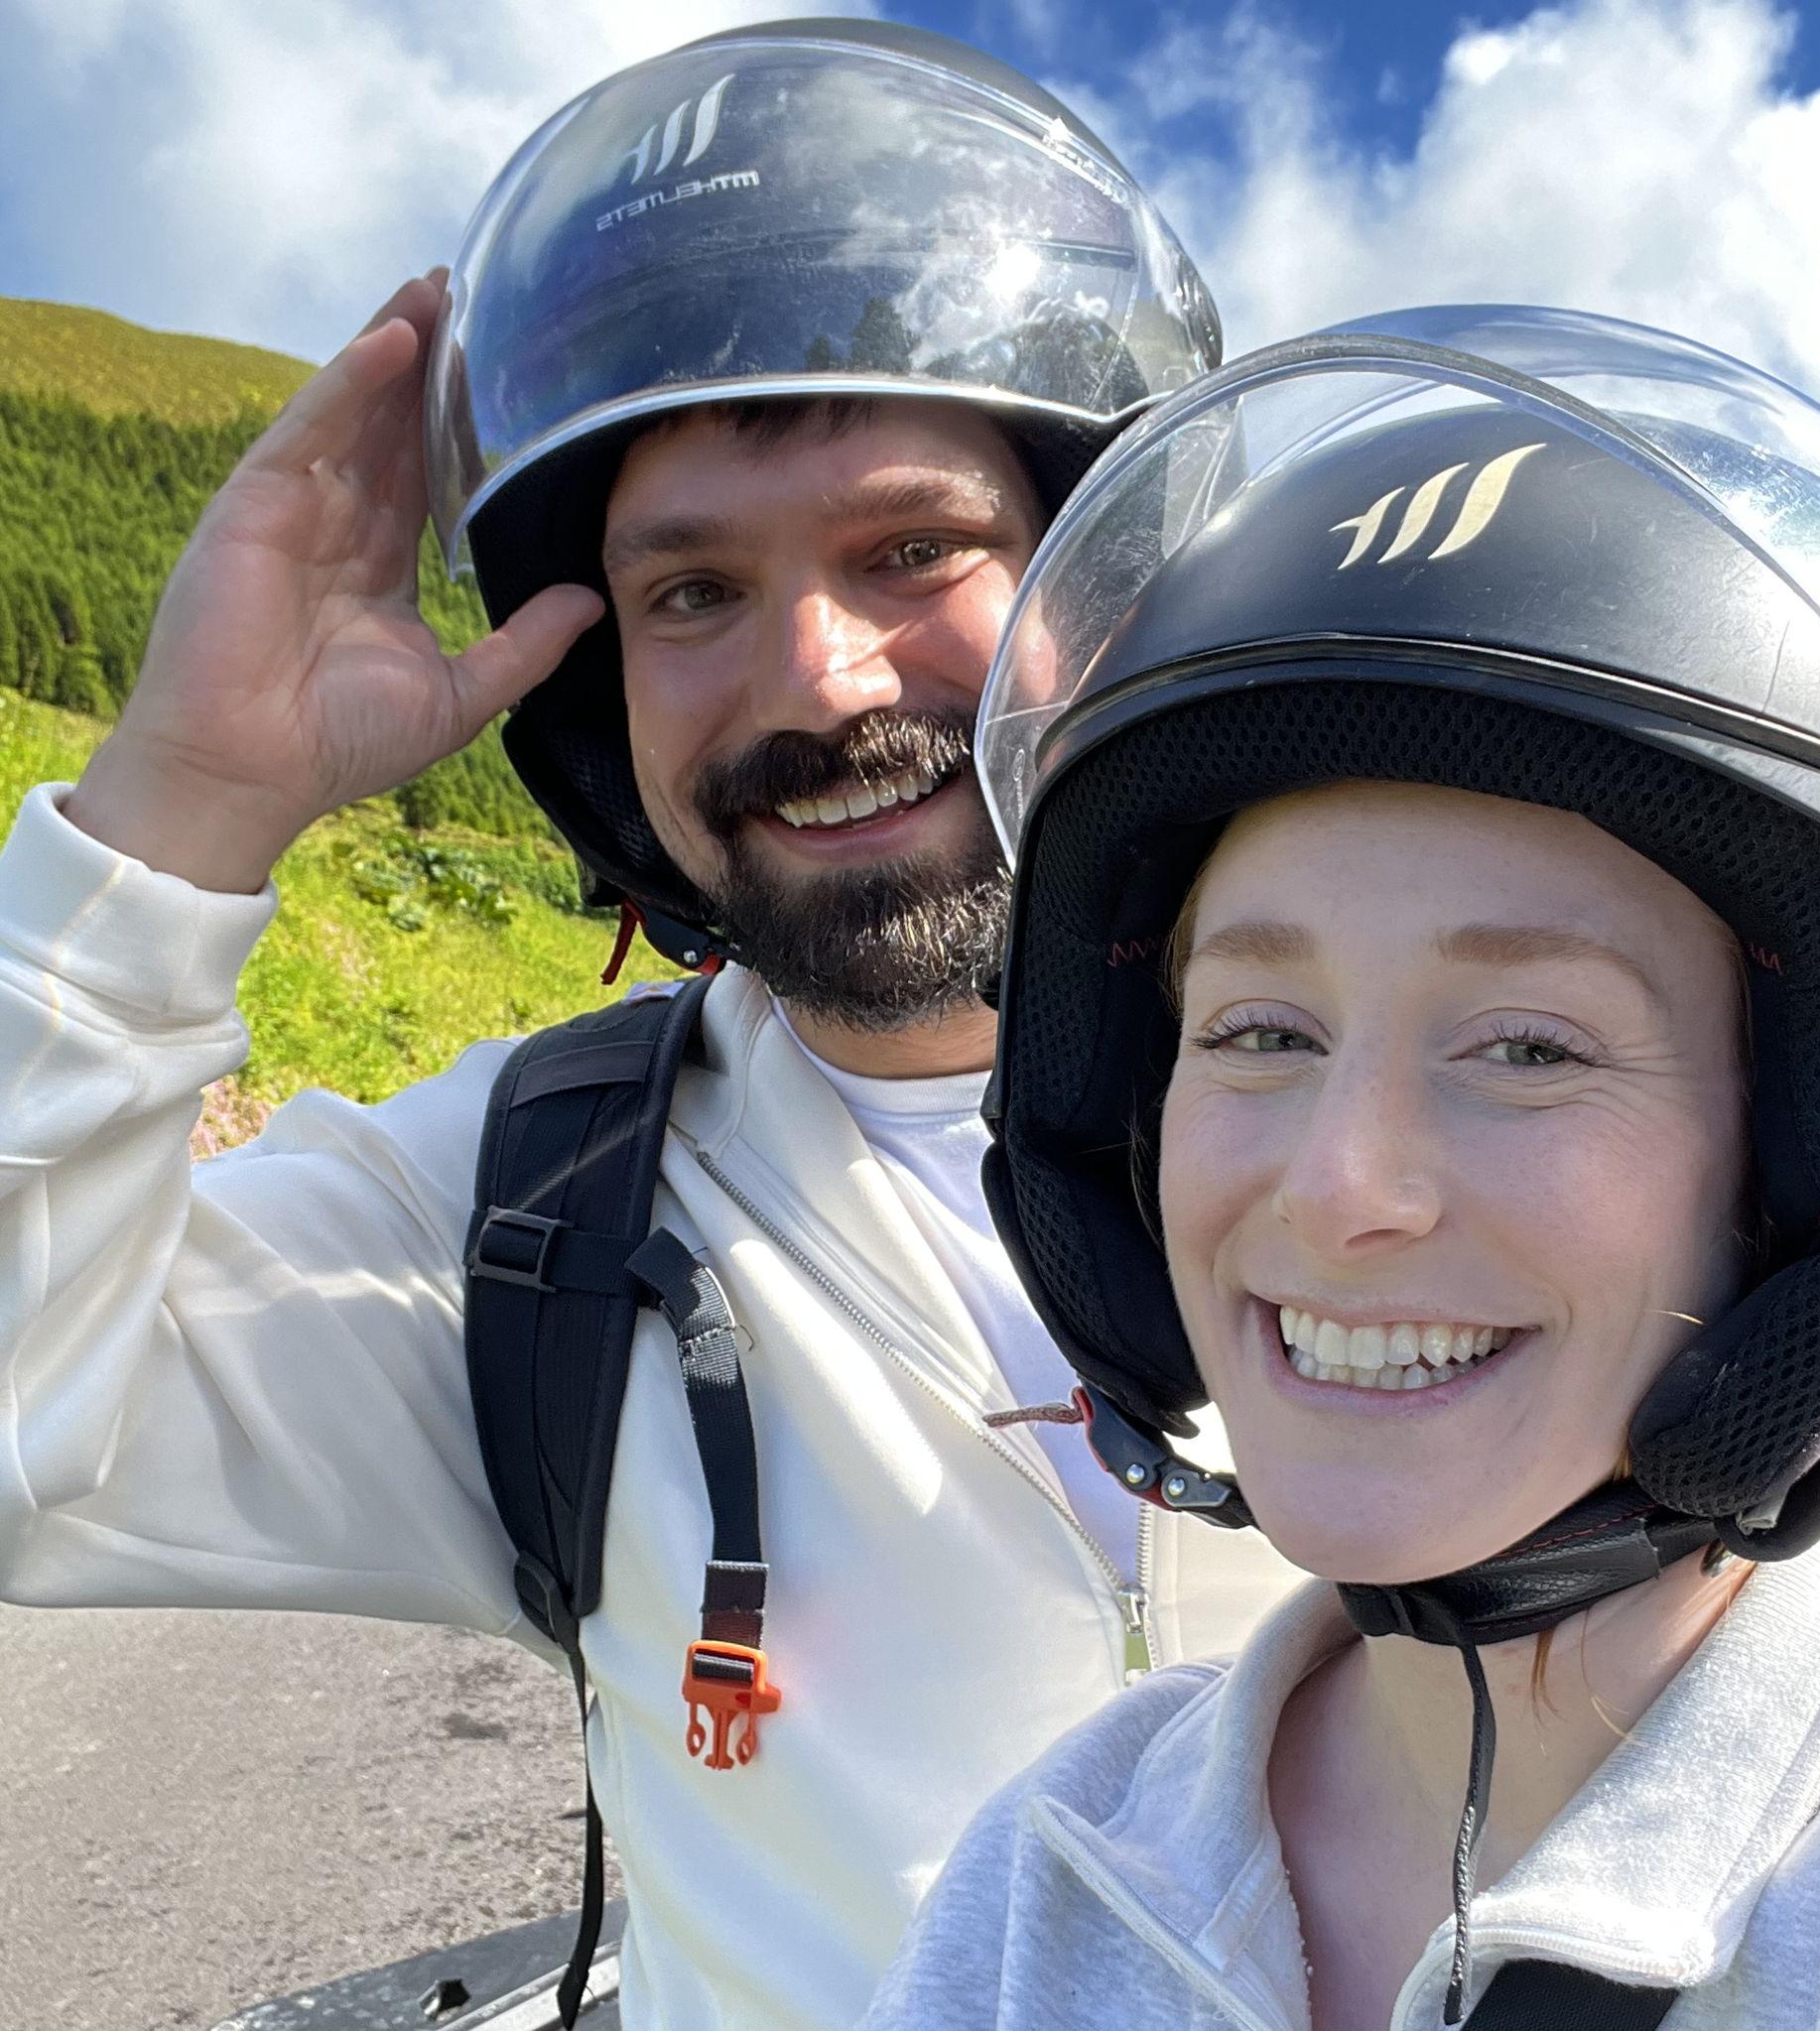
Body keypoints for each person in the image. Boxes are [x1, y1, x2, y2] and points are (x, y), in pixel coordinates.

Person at [0, 23, 1295, 2031]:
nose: (815, 673)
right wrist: (182, 803)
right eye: (690, 591)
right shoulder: (534, 1203)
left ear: (1105, 572)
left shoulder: (1456, 1068)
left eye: (913, 547)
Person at [861, 309, 1820, 2031]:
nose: (1345, 1188)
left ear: (1808, 1186)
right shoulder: (1059, 1857)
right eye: (1259, 1030)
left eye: (1531, 1048)